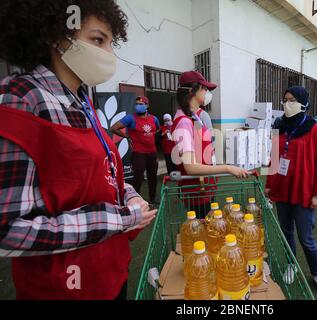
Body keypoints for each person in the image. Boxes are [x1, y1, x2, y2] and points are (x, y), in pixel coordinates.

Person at [0, 0, 156, 300]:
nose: (108, 54)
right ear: (55, 35)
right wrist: (121, 219)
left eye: (111, 43)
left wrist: (131, 196)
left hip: (110, 274)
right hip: (63, 289)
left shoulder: (84, 103)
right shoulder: (22, 101)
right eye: (97, 40)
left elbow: (106, 176)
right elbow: (7, 230)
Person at [264, 86, 317, 300]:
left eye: (292, 99)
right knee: (286, 234)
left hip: (303, 192)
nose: (287, 103)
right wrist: (269, 184)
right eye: (285, 99)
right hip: (282, 191)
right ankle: (291, 265)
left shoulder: (315, 128)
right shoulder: (279, 126)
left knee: (306, 238)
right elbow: (274, 158)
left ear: (303, 102)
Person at [172, 71, 248, 218]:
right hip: (197, 191)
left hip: (204, 186)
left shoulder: (194, 117)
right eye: (204, 89)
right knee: (203, 229)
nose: (207, 93)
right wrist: (227, 167)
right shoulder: (184, 122)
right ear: (191, 91)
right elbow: (191, 167)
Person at [110, 96, 160, 204]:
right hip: (139, 152)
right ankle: (135, 201)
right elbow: (113, 128)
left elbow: (158, 129)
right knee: (138, 178)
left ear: (147, 106)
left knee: (153, 177)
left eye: (141, 104)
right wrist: (127, 136)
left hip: (152, 152)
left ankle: (153, 199)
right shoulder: (130, 118)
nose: (138, 106)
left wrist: (151, 137)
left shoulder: (154, 119)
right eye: (137, 104)